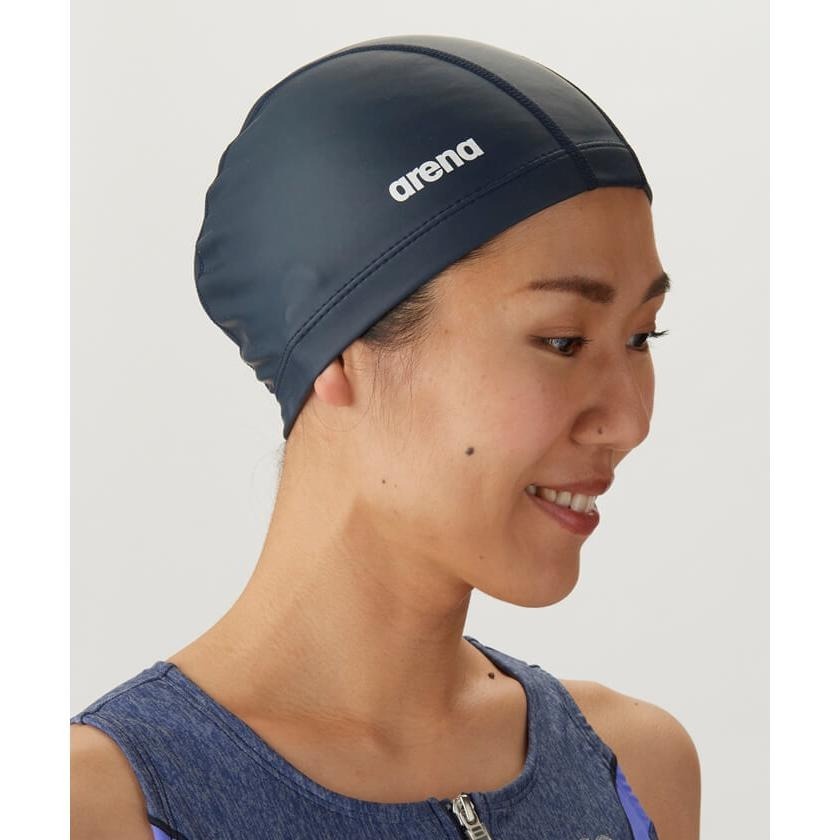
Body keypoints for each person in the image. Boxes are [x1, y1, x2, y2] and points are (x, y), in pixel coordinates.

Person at [70, 34, 701, 840]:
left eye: (643, 336)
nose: (631, 421)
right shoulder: (95, 808)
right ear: (342, 348)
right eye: (563, 340)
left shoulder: (631, 768)